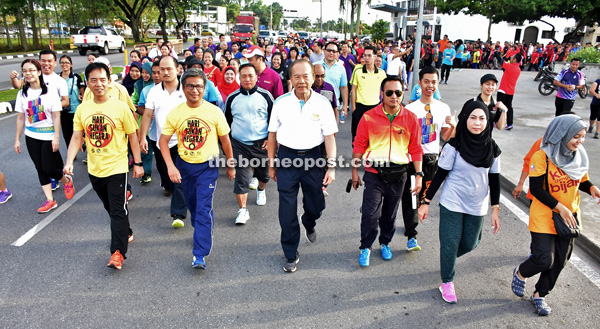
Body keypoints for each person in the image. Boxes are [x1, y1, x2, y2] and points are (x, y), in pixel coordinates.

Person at [511, 114, 599, 315]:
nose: (580, 141)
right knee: (543, 259)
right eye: (575, 136)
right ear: (562, 134)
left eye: (583, 136)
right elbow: (537, 189)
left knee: (560, 260)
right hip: (545, 213)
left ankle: (540, 294)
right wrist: (560, 207)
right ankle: (521, 273)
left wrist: (592, 188)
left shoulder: (579, 155)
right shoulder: (542, 156)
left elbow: (581, 179)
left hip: (569, 216)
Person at [418, 100, 501, 304]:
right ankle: (447, 281)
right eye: (473, 117)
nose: (477, 123)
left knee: (471, 243)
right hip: (452, 202)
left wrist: (495, 209)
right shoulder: (454, 146)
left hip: (477, 205)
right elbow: (440, 175)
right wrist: (425, 201)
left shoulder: (492, 148)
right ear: (464, 119)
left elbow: (495, 179)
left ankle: (447, 260)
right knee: (449, 243)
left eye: (482, 118)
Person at [63, 62, 143, 270]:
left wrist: (138, 163)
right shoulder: (83, 109)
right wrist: (69, 161)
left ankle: (117, 253)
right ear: (87, 83)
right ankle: (126, 230)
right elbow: (76, 137)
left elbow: (132, 136)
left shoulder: (120, 107)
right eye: (93, 80)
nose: (98, 84)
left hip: (117, 167)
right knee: (111, 208)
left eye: (102, 79)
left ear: (109, 81)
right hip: (94, 168)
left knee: (117, 209)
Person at [267, 59, 338, 273]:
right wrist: (271, 163)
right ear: (290, 79)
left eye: (306, 76)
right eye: (296, 76)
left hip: (313, 158)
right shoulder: (280, 102)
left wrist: (331, 167)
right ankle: (290, 252)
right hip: (287, 158)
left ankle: (309, 220)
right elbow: (271, 136)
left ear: (313, 77)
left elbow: (330, 138)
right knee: (286, 210)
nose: (301, 81)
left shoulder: (322, 104)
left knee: (316, 205)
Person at [160, 68, 235, 269]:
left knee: (203, 209)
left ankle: (199, 254)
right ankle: (198, 228)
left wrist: (230, 164)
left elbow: (225, 141)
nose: (195, 90)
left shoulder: (214, 111)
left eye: (199, 86)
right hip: (184, 166)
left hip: (208, 167)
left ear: (205, 88)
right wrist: (170, 167)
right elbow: (163, 141)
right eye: (190, 86)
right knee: (192, 206)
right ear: (183, 88)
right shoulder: (176, 113)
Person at [351, 76, 423, 267]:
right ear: (382, 94)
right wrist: (354, 173)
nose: (394, 96)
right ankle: (365, 247)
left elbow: (416, 149)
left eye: (398, 93)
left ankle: (385, 243)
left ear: (402, 94)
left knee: (390, 214)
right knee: (369, 213)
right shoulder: (368, 117)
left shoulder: (411, 119)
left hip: (399, 175)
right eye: (389, 92)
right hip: (374, 173)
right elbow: (359, 144)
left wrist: (419, 175)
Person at [401, 66, 455, 252]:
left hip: (432, 159)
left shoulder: (443, 108)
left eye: (433, 82)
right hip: (412, 159)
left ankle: (412, 223)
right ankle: (411, 235)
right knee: (411, 198)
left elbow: (446, 137)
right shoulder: (409, 109)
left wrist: (453, 126)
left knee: (425, 196)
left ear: (437, 83)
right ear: (419, 83)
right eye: (426, 82)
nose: (430, 85)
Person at [14, 59, 75, 213]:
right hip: (31, 136)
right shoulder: (22, 93)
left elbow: (56, 116)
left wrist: (56, 137)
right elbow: (21, 117)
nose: (28, 74)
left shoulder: (50, 92)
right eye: (25, 71)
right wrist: (17, 139)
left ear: (39, 72)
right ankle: (50, 200)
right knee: (39, 168)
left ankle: (66, 180)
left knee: (48, 168)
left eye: (32, 70)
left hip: (48, 135)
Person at [140, 56, 189, 228]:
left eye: (169, 69)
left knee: (179, 175)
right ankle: (169, 186)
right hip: (159, 141)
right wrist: (143, 137)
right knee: (165, 172)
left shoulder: (186, 89)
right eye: (162, 69)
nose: (165, 72)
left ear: (178, 69)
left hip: (183, 142)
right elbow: (147, 114)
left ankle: (178, 213)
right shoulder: (154, 91)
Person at [225, 63, 274, 224]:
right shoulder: (232, 98)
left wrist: (270, 139)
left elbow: (274, 121)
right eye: (244, 76)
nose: (247, 79)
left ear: (256, 77)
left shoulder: (265, 96)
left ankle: (261, 190)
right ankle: (243, 210)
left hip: (262, 144)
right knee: (242, 178)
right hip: (240, 144)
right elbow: (227, 122)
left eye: (250, 76)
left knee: (265, 175)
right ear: (239, 77)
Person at [350, 46, 387, 142]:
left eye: (369, 56)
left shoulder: (381, 73)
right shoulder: (358, 71)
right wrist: (354, 108)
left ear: (375, 57)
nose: (367, 58)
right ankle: (356, 156)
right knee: (357, 135)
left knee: (374, 135)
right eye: (365, 55)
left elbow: (385, 91)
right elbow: (353, 89)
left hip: (375, 107)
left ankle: (369, 156)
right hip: (360, 107)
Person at [132, 62, 155, 184]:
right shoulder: (139, 85)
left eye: (147, 73)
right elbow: (135, 103)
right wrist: (146, 111)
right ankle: (146, 173)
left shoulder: (159, 86)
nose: (144, 75)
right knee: (146, 149)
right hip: (144, 122)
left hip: (158, 125)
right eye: (143, 73)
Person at [317, 42, 348, 123]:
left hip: (334, 105)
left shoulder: (341, 68)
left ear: (337, 53)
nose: (331, 53)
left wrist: (345, 105)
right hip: (316, 105)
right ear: (324, 51)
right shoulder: (316, 66)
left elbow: (344, 87)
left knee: (332, 133)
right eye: (329, 50)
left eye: (334, 51)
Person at [59, 55, 85, 147]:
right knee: (67, 134)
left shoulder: (76, 77)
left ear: (71, 64)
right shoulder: (57, 78)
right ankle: (71, 151)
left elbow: (83, 93)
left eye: (66, 62)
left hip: (76, 110)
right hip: (63, 110)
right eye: (62, 62)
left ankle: (82, 147)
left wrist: (81, 96)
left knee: (78, 132)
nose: (64, 64)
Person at [497, 53, 522, 130]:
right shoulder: (518, 69)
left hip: (503, 90)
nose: (510, 58)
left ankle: (496, 121)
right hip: (511, 91)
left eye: (512, 57)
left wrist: (495, 52)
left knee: (499, 106)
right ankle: (510, 123)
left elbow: (501, 60)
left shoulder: (509, 66)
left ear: (515, 59)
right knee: (509, 107)